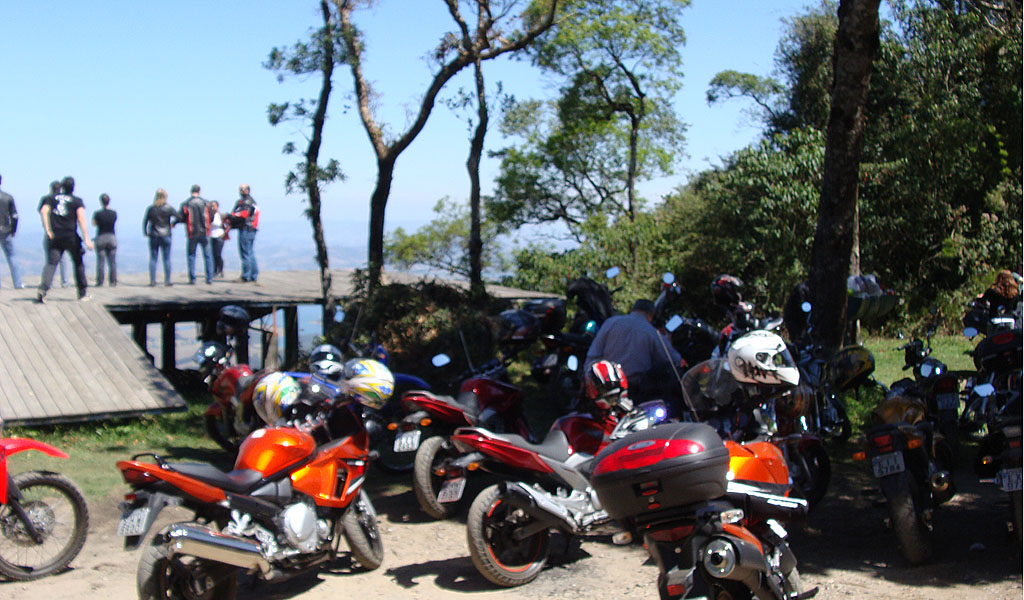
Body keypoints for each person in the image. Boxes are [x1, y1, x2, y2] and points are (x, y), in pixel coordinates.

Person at [584, 298, 682, 404]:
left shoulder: (611, 323)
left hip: (603, 388)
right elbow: (673, 360)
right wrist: (668, 340)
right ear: (652, 314)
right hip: (634, 392)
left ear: (633, 309)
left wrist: (589, 381)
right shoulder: (652, 332)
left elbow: (592, 356)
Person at [36, 176, 93, 302]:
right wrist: (87, 239)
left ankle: (43, 289)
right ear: (73, 187)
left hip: (55, 236)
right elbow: (81, 219)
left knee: (51, 263)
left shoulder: (50, 198)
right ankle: (82, 293)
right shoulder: (77, 201)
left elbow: (43, 211)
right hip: (70, 236)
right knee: (78, 262)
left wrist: (48, 229)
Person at [178, 184, 214, 285]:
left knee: (191, 255)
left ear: (191, 191)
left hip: (192, 232)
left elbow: (181, 217)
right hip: (205, 231)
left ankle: (192, 278)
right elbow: (211, 216)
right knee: (207, 255)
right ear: (200, 191)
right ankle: (209, 277)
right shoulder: (206, 203)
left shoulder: (186, 203)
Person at [39, 180, 70, 288]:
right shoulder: (65, 200)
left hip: (51, 231)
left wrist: (47, 228)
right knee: (63, 258)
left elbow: (43, 212)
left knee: (50, 260)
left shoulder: (47, 199)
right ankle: (65, 281)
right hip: (64, 232)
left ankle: (48, 282)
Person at [143, 188, 177, 286]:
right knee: (166, 258)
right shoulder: (168, 208)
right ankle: (167, 280)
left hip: (154, 234)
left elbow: (145, 221)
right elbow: (179, 216)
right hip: (166, 234)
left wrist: (145, 232)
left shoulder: (151, 208)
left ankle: (152, 281)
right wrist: (172, 224)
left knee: (153, 258)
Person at [231, 184, 259, 283]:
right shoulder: (251, 202)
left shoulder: (247, 202)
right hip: (251, 229)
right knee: (250, 252)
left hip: (246, 229)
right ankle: (253, 275)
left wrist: (232, 216)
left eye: (243, 189)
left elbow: (244, 214)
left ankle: (246, 275)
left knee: (245, 253)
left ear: (248, 190)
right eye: (240, 189)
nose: (241, 191)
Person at [0, 174, 24, 289]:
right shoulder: (8, 197)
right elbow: (14, 216)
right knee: (12, 256)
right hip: (5, 230)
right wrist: (13, 229)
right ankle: (18, 283)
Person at [92, 193, 117, 287]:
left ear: (101, 202)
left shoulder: (97, 213)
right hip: (111, 236)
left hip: (101, 237)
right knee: (112, 261)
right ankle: (113, 281)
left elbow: (94, 224)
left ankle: (100, 281)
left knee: (101, 261)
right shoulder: (113, 213)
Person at [208, 200, 228, 279]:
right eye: (211, 206)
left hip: (219, 236)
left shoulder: (221, 215)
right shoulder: (209, 216)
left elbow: (228, 224)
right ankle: (214, 270)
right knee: (213, 254)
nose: (212, 207)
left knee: (218, 254)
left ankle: (220, 270)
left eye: (214, 206)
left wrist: (225, 233)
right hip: (212, 235)